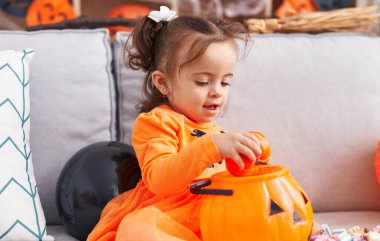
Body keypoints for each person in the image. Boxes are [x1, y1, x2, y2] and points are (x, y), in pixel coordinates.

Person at [87, 6, 264, 241]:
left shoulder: (220, 134)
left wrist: (251, 162)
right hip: (170, 218)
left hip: (216, 217)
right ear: (163, 83)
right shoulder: (157, 123)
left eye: (225, 83)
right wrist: (211, 147)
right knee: (135, 229)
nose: (217, 93)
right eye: (203, 82)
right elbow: (159, 179)